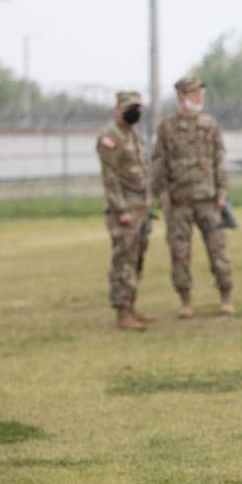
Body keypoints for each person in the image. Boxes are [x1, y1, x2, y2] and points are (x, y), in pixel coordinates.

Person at [151, 75, 234, 318]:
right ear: (182, 96)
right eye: (194, 93)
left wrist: (222, 191)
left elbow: (220, 158)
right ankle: (185, 301)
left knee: (218, 250)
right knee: (179, 253)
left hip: (208, 199)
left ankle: (226, 297)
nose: (199, 98)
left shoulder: (209, 125)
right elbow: (158, 163)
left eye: (201, 93)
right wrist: (162, 193)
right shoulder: (166, 127)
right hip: (179, 201)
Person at [96, 90, 154, 332]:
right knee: (124, 261)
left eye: (138, 108)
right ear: (117, 109)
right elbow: (110, 179)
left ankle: (131, 306)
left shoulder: (133, 134)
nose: (135, 112)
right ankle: (122, 313)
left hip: (141, 206)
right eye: (130, 107)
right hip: (125, 208)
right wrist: (122, 210)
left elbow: (141, 169)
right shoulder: (110, 137)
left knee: (137, 259)